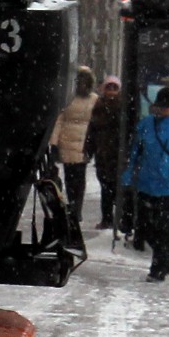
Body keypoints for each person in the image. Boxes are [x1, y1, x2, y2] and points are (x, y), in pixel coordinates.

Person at [128, 84, 169, 283]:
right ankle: (165, 258)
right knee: (147, 227)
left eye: (165, 106)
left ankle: (158, 267)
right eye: (159, 106)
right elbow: (135, 152)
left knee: (162, 228)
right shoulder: (145, 125)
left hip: (168, 188)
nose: (161, 110)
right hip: (146, 184)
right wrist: (130, 173)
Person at [48, 66, 95, 259]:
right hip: (69, 141)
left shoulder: (94, 100)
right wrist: (54, 142)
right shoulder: (68, 99)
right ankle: (74, 207)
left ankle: (77, 207)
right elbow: (59, 120)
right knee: (70, 177)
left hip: (84, 142)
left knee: (80, 178)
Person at [86, 74, 126, 230]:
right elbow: (92, 130)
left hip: (117, 153)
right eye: (109, 87)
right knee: (105, 188)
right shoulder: (99, 106)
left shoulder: (122, 106)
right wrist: (89, 149)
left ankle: (119, 219)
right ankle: (107, 218)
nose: (111, 91)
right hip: (103, 153)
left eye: (114, 88)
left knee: (117, 188)